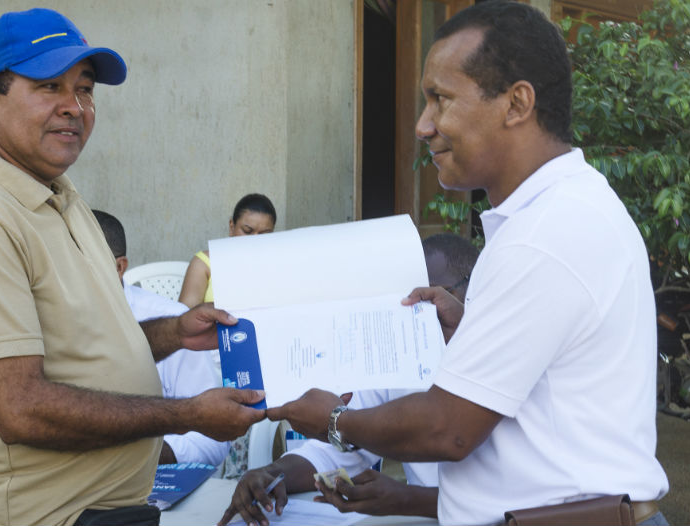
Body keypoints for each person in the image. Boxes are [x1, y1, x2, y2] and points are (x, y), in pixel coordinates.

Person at [266, 2, 669, 525]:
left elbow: (447, 430)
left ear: (516, 103)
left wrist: (336, 420)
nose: (422, 125)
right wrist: (472, 329)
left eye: (440, 99)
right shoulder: (560, 211)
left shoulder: (545, 233)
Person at [0, 9, 264, 526]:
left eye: (85, 89)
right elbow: (21, 408)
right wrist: (187, 415)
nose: (74, 108)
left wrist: (174, 332)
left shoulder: (59, 196)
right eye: (49, 86)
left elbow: (86, 345)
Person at [219, 233, 479, 526]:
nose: (420, 308)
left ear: (473, 288)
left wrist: (406, 499)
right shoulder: (405, 358)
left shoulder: (505, 360)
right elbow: (337, 448)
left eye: (433, 295)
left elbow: (513, 496)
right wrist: (271, 473)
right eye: (412, 298)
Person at [92, 209, 230, 466]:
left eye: (77, 262)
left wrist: (136, 457)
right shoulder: (39, 318)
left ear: (119, 267)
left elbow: (212, 438)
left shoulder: (173, 322)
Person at [178, 193, 277, 307]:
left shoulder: (275, 265)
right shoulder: (204, 263)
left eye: (264, 234)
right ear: (232, 226)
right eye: (247, 231)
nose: (254, 240)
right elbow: (186, 319)